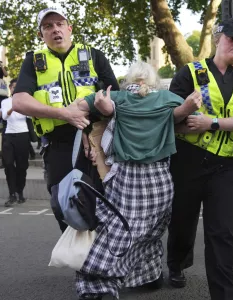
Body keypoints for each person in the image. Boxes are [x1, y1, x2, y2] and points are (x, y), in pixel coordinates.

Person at [74, 61, 200, 300]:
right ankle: (148, 275)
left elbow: (77, 109)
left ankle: (98, 283)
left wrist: (103, 113)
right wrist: (175, 116)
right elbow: (193, 124)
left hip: (126, 176)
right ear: (153, 80)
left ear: (129, 80)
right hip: (160, 179)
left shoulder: (117, 98)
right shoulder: (168, 98)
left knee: (118, 229)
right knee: (151, 231)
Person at [167, 18, 233, 300]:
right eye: (232, 38)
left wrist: (213, 123)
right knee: (182, 222)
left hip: (230, 166)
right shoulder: (189, 73)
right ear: (217, 38)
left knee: (222, 231)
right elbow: (170, 117)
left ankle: (224, 295)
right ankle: (177, 263)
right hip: (188, 162)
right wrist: (185, 110)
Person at [12, 7, 119, 232]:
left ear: (70, 28)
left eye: (60, 24)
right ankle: (80, 263)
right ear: (41, 35)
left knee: (103, 207)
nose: (55, 30)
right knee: (66, 209)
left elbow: (116, 97)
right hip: (59, 148)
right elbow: (19, 101)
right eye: (48, 26)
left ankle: (100, 264)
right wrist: (64, 114)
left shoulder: (94, 56)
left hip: (96, 145)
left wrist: (96, 121)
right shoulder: (33, 61)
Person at [0, 78, 30, 206]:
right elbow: (5, 116)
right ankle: (11, 194)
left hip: (23, 134)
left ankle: (20, 192)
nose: (15, 89)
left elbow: (30, 116)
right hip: (9, 135)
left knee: (22, 166)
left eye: (17, 86)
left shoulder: (25, 100)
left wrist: (22, 106)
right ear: (10, 88)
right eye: (13, 87)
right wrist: (13, 108)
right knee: (9, 164)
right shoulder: (5, 102)